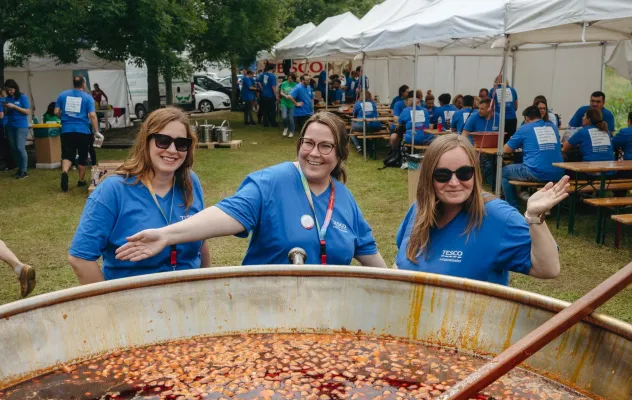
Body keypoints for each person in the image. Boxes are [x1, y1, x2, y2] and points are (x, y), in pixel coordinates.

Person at [115, 112, 387, 268]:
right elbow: (225, 215)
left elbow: (371, 258)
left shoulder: (344, 200)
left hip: (327, 320)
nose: (314, 153)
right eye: (308, 143)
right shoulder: (272, 182)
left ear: (340, 153)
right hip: (267, 315)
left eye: (325, 146)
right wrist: (166, 235)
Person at [395, 135, 567, 285]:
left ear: (475, 173)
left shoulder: (496, 215)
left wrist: (534, 217)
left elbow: (548, 269)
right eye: (442, 175)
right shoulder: (419, 209)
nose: (454, 183)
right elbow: (400, 262)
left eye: (464, 173)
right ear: (428, 177)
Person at [68, 107, 209, 284]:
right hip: (134, 302)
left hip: (187, 299)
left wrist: (205, 285)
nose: (173, 150)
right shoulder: (113, 190)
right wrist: (108, 306)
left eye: (181, 143)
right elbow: (80, 258)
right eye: (163, 141)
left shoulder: (190, 182)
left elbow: (202, 242)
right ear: (146, 142)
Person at [502, 106, 565, 209]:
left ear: (526, 118)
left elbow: (506, 150)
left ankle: (512, 206)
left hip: (536, 172)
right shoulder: (552, 127)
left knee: (503, 172)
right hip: (558, 172)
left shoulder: (524, 128)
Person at [55, 76, 101, 191]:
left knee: (67, 154)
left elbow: (56, 111)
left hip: (67, 130)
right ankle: (80, 180)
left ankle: (65, 173)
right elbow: (92, 115)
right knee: (83, 156)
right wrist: (96, 131)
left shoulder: (63, 95)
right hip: (83, 131)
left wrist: (64, 118)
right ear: (84, 84)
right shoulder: (88, 98)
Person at [462, 98, 501, 187]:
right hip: (476, 148)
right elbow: (464, 135)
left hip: (493, 148)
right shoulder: (474, 117)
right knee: (488, 164)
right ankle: (492, 184)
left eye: (482, 109)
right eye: (479, 108)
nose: (479, 111)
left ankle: (494, 183)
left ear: (490, 109)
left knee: (497, 163)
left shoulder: (498, 118)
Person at [3, 79, 31, 179]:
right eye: (7, 90)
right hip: (10, 125)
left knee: (20, 147)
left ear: (15, 88)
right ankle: (19, 168)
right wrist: (5, 108)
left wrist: (14, 106)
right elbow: (6, 113)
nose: (10, 92)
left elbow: (27, 111)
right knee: (14, 148)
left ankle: (24, 170)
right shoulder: (7, 99)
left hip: (21, 126)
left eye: (11, 89)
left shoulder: (23, 97)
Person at [0, 88, 15, 171]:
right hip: (9, 124)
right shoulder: (7, 100)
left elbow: (1, 115)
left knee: (5, 145)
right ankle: (12, 163)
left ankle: (10, 164)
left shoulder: (0, 101)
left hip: (3, 125)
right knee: (9, 144)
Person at [279, 72, 298, 137]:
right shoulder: (284, 83)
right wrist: (285, 95)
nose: (290, 80)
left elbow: (296, 94)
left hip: (291, 103)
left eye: (291, 79)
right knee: (284, 117)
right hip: (284, 102)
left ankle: (291, 131)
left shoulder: (295, 85)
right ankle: (285, 127)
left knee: (290, 118)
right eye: (289, 78)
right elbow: (281, 92)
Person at [260, 64, 279, 128]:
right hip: (271, 95)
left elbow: (262, 83)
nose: (275, 69)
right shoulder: (272, 76)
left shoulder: (264, 74)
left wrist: (263, 89)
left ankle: (265, 123)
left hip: (264, 94)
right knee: (272, 110)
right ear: (273, 68)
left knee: (265, 110)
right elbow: (273, 87)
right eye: (275, 68)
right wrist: (276, 95)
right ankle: (273, 123)